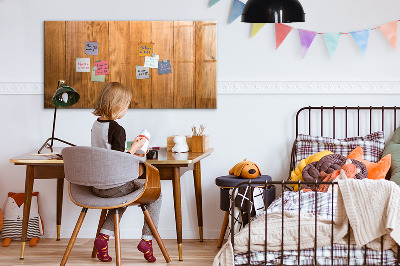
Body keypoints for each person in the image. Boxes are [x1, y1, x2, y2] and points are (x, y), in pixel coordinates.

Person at [91, 82, 161, 263]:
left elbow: (108, 154)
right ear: (118, 105)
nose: (126, 109)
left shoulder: (96, 125)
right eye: (127, 105)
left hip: (97, 186)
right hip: (114, 186)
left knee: (121, 197)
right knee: (156, 194)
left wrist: (131, 149)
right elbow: (119, 161)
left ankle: (103, 238)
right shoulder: (117, 129)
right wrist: (136, 148)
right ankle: (147, 240)